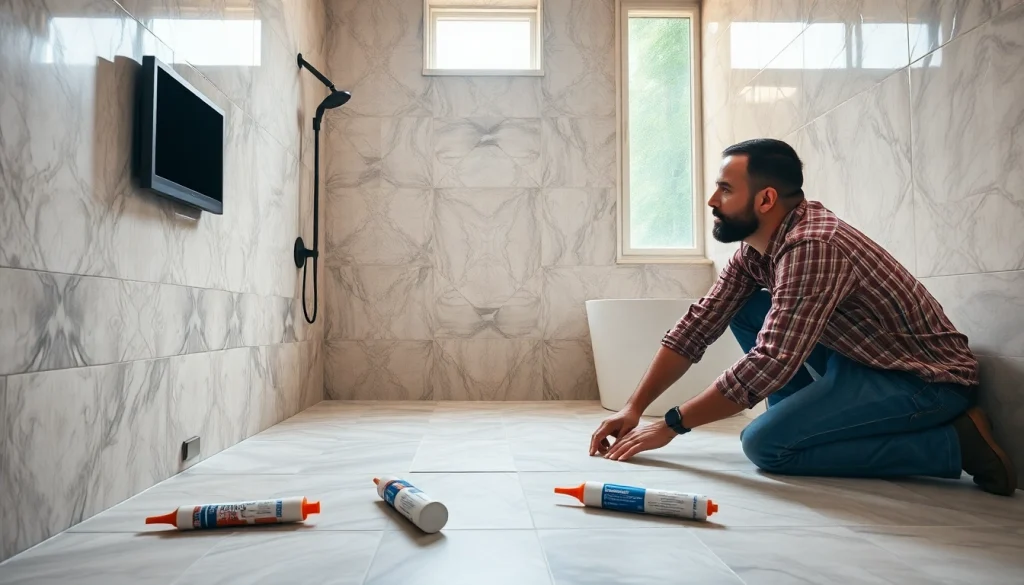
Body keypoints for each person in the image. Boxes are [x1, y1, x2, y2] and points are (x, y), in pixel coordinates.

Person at [589, 138, 1017, 496]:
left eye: (724, 189)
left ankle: (954, 443)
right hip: (864, 361)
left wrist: (672, 424)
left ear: (766, 198)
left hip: (923, 381)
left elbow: (771, 360)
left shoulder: (813, 245)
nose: (711, 200)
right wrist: (634, 407)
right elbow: (699, 325)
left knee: (767, 447)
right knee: (745, 308)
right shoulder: (757, 250)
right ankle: (801, 421)